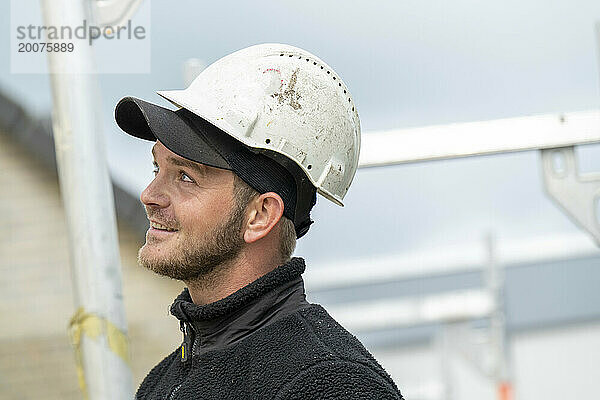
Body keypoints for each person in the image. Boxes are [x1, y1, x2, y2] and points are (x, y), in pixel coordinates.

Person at [115, 43, 403, 400]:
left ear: (260, 215)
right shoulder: (163, 381)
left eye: (186, 176)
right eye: (157, 168)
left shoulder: (330, 384)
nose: (149, 194)